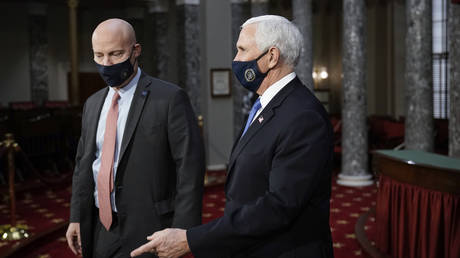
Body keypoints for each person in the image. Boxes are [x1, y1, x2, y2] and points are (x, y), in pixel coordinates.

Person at [131, 15, 334, 258]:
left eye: (242, 50)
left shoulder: (303, 116)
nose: (236, 60)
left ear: (271, 57)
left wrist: (190, 240)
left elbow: (279, 206)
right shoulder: (268, 104)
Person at [65, 18, 205, 258]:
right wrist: (77, 216)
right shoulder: (93, 104)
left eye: (115, 54)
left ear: (135, 51)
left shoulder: (170, 98)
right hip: (100, 227)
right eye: (99, 55)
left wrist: (182, 230)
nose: (106, 64)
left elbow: (189, 167)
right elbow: (84, 164)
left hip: (151, 229)